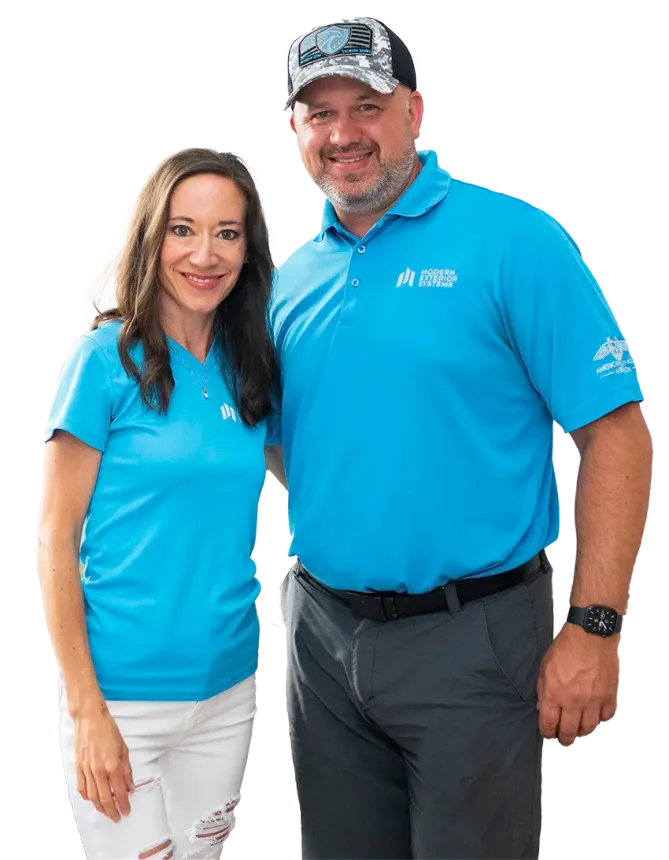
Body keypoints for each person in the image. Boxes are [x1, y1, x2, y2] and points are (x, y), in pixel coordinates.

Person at [264, 15, 654, 860]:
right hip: (321, 641)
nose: (343, 134)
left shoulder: (512, 241)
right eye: (318, 112)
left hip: (470, 638)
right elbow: (286, 445)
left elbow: (614, 431)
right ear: (294, 130)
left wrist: (594, 625)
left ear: (413, 110)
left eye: (364, 105)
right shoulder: (286, 280)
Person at [36, 145, 277, 860]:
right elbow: (53, 539)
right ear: (151, 238)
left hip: (227, 690)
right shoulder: (103, 361)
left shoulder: (251, 368)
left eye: (226, 233)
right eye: (183, 229)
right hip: (122, 699)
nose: (204, 254)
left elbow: (322, 474)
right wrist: (86, 710)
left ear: (246, 249)